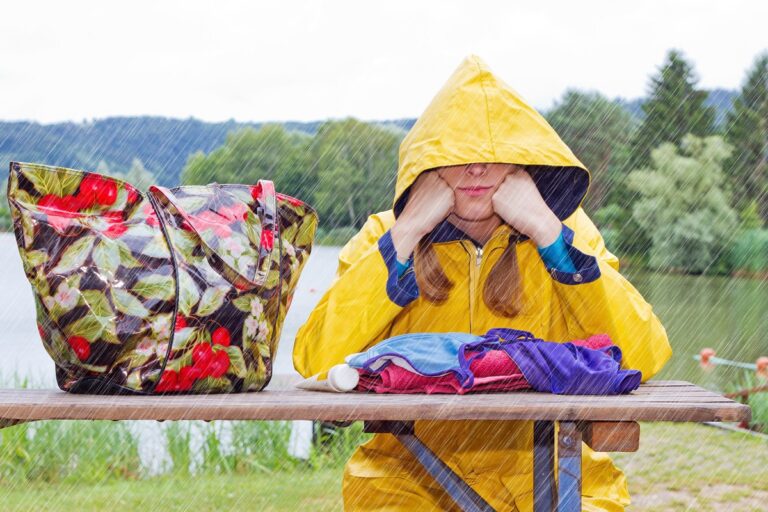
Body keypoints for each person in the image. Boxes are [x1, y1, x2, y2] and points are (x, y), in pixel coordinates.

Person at [293, 55, 673, 511]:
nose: (476, 169)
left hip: (552, 471)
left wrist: (549, 234)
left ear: (523, 161)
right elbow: (316, 360)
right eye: (457, 154)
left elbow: (641, 357)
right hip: (406, 478)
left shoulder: (565, 233)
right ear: (428, 165)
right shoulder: (386, 236)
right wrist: (407, 234)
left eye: (493, 153)